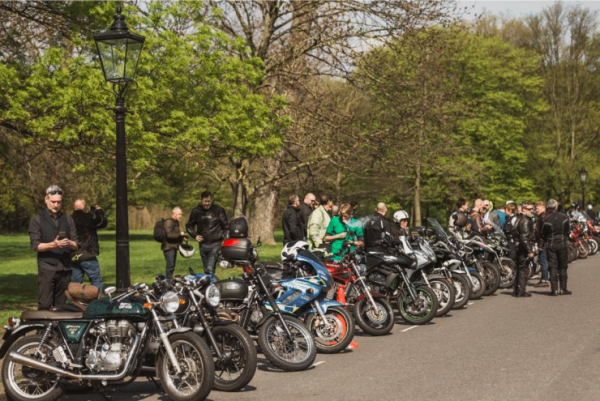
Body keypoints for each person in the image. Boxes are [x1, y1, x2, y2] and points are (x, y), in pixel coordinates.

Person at [29, 185, 79, 310]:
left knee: (61, 306)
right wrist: (53, 244)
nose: (56, 205)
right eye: (53, 202)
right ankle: (42, 329)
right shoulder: (37, 219)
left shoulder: (68, 219)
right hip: (47, 267)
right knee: (45, 304)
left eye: (59, 202)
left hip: (65, 268)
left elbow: (76, 244)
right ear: (46, 200)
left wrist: (69, 243)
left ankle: (57, 330)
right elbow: (35, 246)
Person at [186, 191, 228, 274]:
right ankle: (210, 285)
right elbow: (189, 226)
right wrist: (195, 235)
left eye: (208, 201)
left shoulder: (218, 210)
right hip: (203, 244)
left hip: (215, 243)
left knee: (210, 268)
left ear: (211, 200)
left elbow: (226, 227)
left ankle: (211, 283)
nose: (207, 203)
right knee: (206, 269)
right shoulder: (196, 211)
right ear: (201, 200)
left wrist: (225, 240)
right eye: (205, 201)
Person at [71, 199, 107, 291]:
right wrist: (99, 211)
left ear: (74, 207)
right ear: (83, 207)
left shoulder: (69, 219)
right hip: (88, 253)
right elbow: (102, 222)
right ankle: (98, 301)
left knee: (76, 282)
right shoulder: (88, 218)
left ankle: (76, 302)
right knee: (95, 279)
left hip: (74, 255)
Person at [541, 199, 571, 296]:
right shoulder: (564, 217)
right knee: (562, 266)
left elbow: (542, 233)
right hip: (562, 243)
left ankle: (554, 290)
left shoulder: (546, 219)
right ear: (556, 207)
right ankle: (563, 288)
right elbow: (568, 231)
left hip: (551, 244)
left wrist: (547, 239)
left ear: (548, 207)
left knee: (552, 266)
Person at [514, 201, 535, 297]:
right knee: (523, 269)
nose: (531, 211)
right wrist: (529, 251)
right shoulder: (525, 221)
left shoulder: (520, 219)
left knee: (520, 268)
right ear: (523, 209)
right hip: (523, 248)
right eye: (529, 209)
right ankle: (521, 291)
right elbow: (524, 237)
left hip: (520, 247)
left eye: (532, 209)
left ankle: (517, 290)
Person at [163, 207, 186, 280]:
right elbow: (169, 235)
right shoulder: (168, 222)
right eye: (179, 214)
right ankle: (168, 281)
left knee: (172, 266)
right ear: (174, 214)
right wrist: (180, 234)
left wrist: (182, 237)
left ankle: (170, 280)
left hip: (173, 247)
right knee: (170, 266)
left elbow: (175, 234)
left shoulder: (175, 222)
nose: (181, 216)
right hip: (168, 247)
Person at [533, 201, 549, 288]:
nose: (536, 210)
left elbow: (541, 233)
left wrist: (540, 244)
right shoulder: (545, 217)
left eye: (538, 208)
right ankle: (544, 278)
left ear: (543, 208)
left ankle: (544, 280)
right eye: (535, 209)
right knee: (544, 260)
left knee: (543, 260)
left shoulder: (542, 218)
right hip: (546, 242)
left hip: (543, 242)